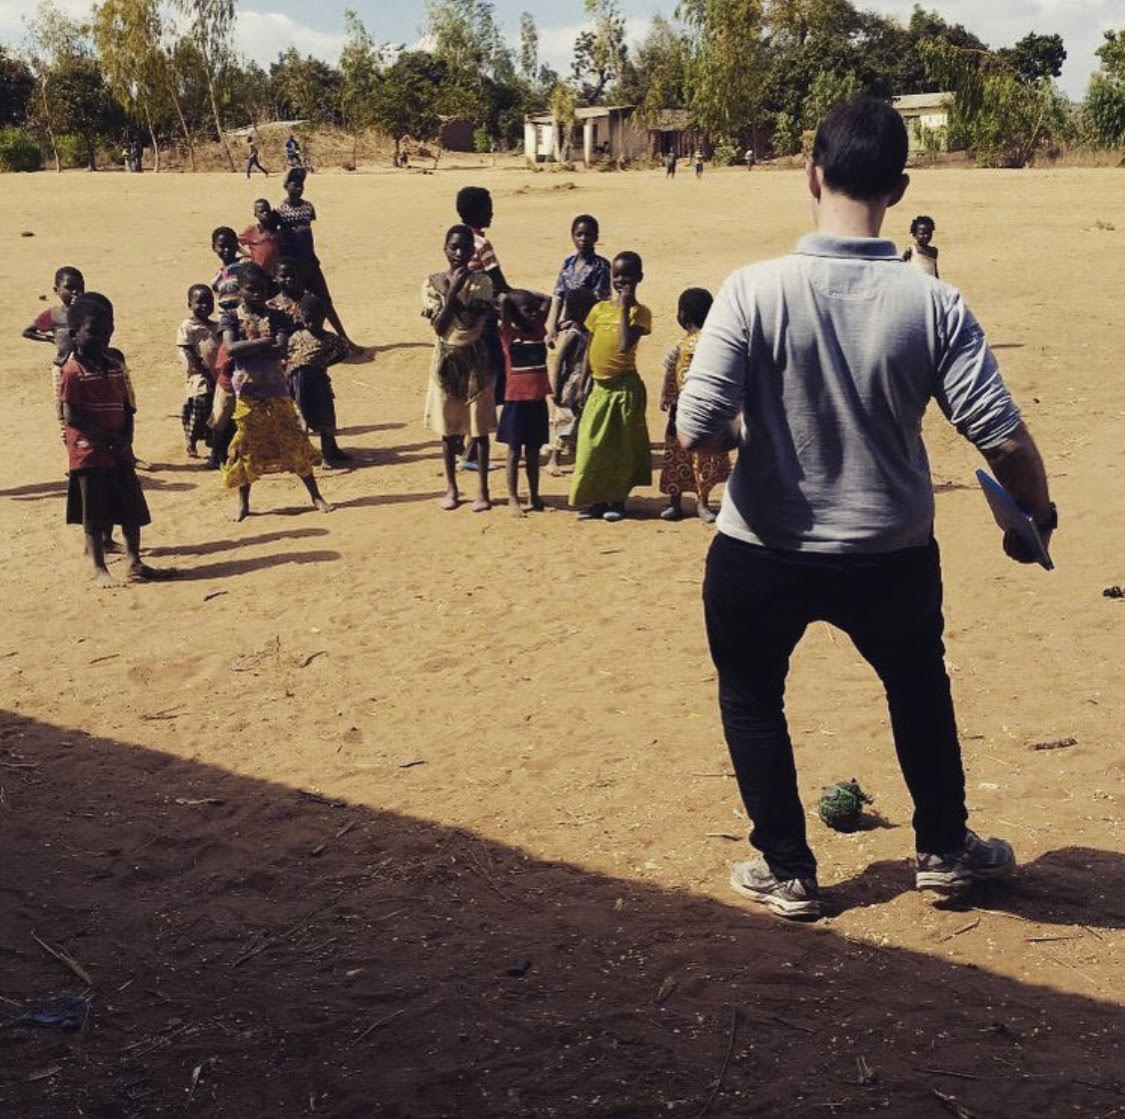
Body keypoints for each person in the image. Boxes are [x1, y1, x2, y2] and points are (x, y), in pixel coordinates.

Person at [677, 96, 1052, 921]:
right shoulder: (931, 302)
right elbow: (1003, 441)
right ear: (898, 186)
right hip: (889, 551)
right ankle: (943, 850)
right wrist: (1036, 514)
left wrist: (753, 429)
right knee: (916, 687)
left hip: (759, 548)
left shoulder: (751, 290)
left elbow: (697, 426)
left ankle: (787, 869)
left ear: (811, 175)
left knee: (751, 697)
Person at [60, 294, 169, 586]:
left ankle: (135, 561)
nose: (102, 337)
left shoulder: (114, 364)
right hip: (90, 453)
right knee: (95, 514)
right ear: (74, 333)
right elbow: (72, 415)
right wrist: (107, 438)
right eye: (94, 331)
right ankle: (99, 568)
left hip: (119, 449)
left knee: (130, 506)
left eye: (107, 330)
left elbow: (126, 406)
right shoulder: (72, 371)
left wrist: (126, 437)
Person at [219, 263, 331, 522]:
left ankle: (316, 496)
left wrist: (250, 347)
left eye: (261, 289)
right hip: (248, 394)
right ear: (240, 291)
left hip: (275, 391)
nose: (257, 294)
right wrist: (264, 342)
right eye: (251, 289)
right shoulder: (232, 317)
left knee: (294, 440)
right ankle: (244, 504)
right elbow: (232, 349)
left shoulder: (276, 316)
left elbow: (279, 349)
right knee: (246, 447)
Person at [568, 251, 652, 522]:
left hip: (624, 389)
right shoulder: (599, 310)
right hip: (599, 388)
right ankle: (595, 500)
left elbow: (625, 344)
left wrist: (625, 308)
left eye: (627, 276)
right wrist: (581, 384)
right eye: (617, 275)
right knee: (592, 444)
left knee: (619, 448)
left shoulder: (640, 313)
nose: (621, 281)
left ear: (639, 278)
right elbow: (589, 348)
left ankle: (616, 500)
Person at [421, 224, 496, 512]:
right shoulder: (431, 284)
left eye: (465, 248)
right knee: (448, 430)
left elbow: (466, 321)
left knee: (479, 430)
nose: (459, 253)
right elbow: (440, 328)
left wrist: (450, 293)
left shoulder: (481, 282)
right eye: (453, 247)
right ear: (445, 249)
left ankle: (483, 491)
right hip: (446, 363)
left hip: (476, 361)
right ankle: (451, 488)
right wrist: (452, 290)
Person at [658, 287, 730, 523]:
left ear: (682, 316)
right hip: (707, 409)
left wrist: (666, 397)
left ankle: (675, 503)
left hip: (681, 410)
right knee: (703, 458)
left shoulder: (681, 346)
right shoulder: (716, 344)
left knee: (676, 455)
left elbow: (669, 372)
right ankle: (702, 503)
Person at [276, 168, 357, 351]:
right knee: (297, 306)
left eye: (301, 185)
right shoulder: (280, 211)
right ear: (286, 187)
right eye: (294, 185)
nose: (299, 188)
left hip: (311, 262)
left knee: (326, 301)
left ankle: (344, 340)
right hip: (294, 268)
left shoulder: (308, 207)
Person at [497, 289, 552, 516]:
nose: (533, 314)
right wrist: (509, 301)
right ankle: (513, 497)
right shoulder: (509, 334)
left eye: (534, 310)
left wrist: (522, 298)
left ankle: (534, 495)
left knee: (533, 452)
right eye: (527, 310)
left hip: (537, 400)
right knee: (513, 452)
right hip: (516, 401)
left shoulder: (538, 330)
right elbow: (504, 303)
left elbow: (547, 300)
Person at [286, 292, 351, 467]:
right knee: (301, 417)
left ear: (323, 317)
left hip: (318, 382)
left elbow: (344, 350)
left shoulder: (330, 339)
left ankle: (329, 453)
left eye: (315, 320)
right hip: (297, 383)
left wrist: (325, 363)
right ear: (300, 317)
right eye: (307, 320)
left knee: (325, 416)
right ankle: (303, 456)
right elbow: (286, 356)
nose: (311, 324)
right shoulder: (296, 336)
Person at [23, 265, 85, 435]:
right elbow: (28, 331)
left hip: (86, 369)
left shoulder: (87, 312)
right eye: (69, 287)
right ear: (56, 290)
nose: (75, 292)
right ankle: (68, 440)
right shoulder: (54, 315)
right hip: (62, 369)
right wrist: (50, 338)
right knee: (63, 408)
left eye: (80, 287)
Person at [546, 287, 596, 476]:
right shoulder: (574, 334)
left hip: (585, 380)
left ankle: (576, 459)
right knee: (565, 420)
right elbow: (560, 361)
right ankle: (554, 460)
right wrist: (556, 387)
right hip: (571, 382)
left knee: (579, 420)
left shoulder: (587, 331)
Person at [545, 214, 611, 347]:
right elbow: (558, 296)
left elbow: (601, 302)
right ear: (572, 237)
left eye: (588, 235)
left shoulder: (600, 266)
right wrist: (552, 328)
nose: (583, 239)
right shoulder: (568, 264)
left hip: (590, 328)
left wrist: (579, 322)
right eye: (579, 234)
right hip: (569, 326)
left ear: (596, 237)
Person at [176, 284, 219, 460]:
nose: (205, 306)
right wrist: (201, 369)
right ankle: (192, 440)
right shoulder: (188, 326)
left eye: (209, 302)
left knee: (217, 408)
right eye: (199, 302)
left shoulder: (217, 326)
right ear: (189, 305)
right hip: (198, 374)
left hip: (217, 373)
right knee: (199, 405)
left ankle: (212, 442)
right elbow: (186, 349)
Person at [238, 199, 282, 276]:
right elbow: (235, 242)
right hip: (258, 272)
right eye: (261, 211)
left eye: (267, 210)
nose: (265, 213)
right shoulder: (252, 230)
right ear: (255, 214)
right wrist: (248, 254)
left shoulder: (277, 231)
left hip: (274, 272)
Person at [211, 227, 248, 312]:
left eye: (231, 245)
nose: (227, 250)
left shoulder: (245, 264)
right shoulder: (216, 279)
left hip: (245, 315)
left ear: (237, 246)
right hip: (227, 317)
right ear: (214, 247)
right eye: (222, 246)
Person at [903, 214, 939, 278]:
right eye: (922, 234)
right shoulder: (911, 250)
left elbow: (935, 270)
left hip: (929, 282)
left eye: (929, 233)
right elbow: (901, 265)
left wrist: (937, 282)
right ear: (914, 235)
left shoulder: (933, 251)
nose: (926, 236)